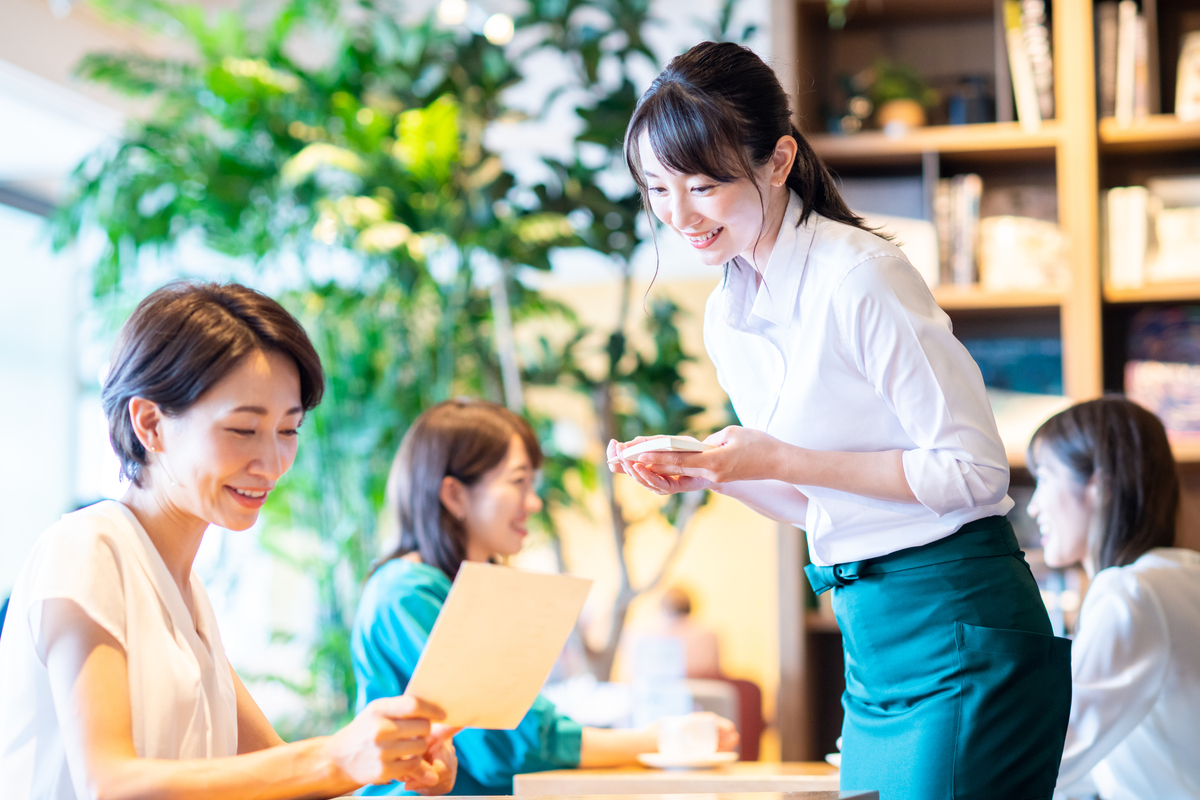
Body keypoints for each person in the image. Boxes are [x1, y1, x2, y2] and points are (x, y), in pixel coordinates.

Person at [609, 41, 1071, 800]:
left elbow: (973, 472)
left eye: (702, 185)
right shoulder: (728, 315)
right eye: (658, 189)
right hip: (869, 631)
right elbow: (813, 502)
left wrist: (778, 458)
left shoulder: (860, 274)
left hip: (957, 617)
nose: (678, 216)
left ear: (779, 159)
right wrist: (713, 471)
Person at [0, 282, 456, 800]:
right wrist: (338, 758)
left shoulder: (185, 593)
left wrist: (396, 762)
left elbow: (283, 772)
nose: (273, 463)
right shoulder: (87, 549)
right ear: (150, 422)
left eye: (289, 431)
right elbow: (111, 785)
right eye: (243, 429)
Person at [351, 399, 737, 795]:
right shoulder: (406, 593)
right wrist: (659, 741)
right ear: (454, 495)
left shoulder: (462, 588)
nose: (533, 502)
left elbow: (522, 727)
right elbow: (505, 745)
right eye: (518, 482)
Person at [1026, 398, 1200, 800]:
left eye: (1045, 478)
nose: (1033, 505)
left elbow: (1053, 754)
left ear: (1099, 484)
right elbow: (1104, 762)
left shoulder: (1130, 593)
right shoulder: (1181, 573)